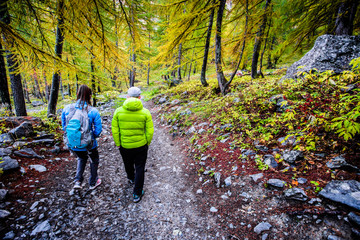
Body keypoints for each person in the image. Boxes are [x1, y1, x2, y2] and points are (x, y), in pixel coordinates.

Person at [111, 87, 154, 203]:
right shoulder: (145, 112)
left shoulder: (118, 111)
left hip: (125, 146)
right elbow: (150, 131)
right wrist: (147, 143)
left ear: (127, 97)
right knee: (140, 167)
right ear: (140, 97)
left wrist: (118, 143)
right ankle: (137, 193)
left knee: (127, 163)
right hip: (141, 146)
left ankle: (131, 178)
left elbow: (115, 130)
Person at [61, 84, 102, 190]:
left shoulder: (67, 109)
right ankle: (93, 182)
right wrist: (91, 137)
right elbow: (98, 131)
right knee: (94, 160)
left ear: (77, 94)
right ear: (89, 96)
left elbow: (64, 127)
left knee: (81, 158)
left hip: (73, 142)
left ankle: (78, 181)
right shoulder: (93, 111)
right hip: (89, 143)